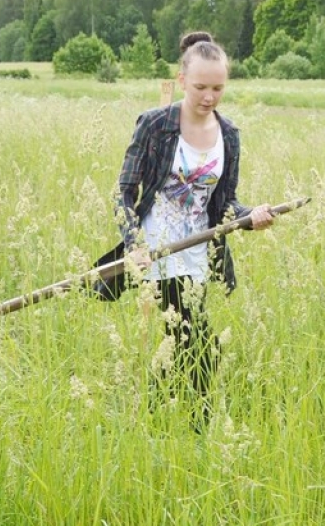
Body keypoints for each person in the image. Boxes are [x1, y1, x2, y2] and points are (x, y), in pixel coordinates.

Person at [93, 31, 274, 429]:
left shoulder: (229, 135)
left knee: (179, 342)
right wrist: (133, 242)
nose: (209, 96)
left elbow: (225, 203)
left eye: (217, 88)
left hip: (199, 255)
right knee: (198, 342)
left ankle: (149, 417)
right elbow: (125, 189)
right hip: (156, 252)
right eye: (200, 87)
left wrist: (251, 215)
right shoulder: (156, 125)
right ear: (181, 81)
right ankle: (201, 429)